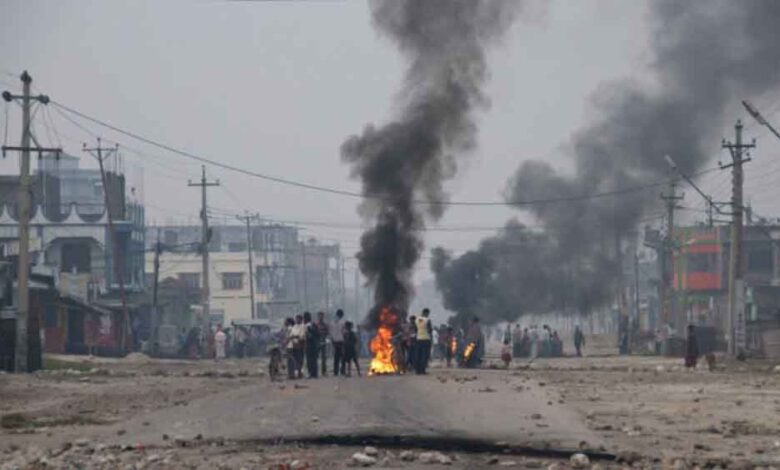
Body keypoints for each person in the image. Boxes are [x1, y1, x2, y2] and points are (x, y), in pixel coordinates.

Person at [415, 309, 433, 374]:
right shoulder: (427, 320)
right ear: (426, 313)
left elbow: (416, 329)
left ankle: (418, 370)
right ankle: (422, 370)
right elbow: (430, 330)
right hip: (426, 339)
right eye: (428, 314)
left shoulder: (417, 319)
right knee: (425, 356)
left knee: (418, 355)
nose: (428, 315)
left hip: (418, 339)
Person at [304, 312, 319, 378]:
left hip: (310, 344)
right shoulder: (313, 324)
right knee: (313, 360)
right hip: (313, 344)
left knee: (310, 360)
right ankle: (314, 373)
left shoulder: (308, 325)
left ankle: (311, 373)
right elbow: (317, 334)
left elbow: (312, 334)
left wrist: (310, 333)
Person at [331, 309, 346, 376]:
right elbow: (344, 332)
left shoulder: (332, 322)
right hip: (341, 342)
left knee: (336, 357)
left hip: (335, 342)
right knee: (343, 357)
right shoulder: (342, 322)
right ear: (341, 315)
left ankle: (335, 371)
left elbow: (331, 332)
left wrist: (332, 340)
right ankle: (342, 371)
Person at [315, 311, 330, 376]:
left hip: (323, 342)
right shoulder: (316, 324)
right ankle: (315, 370)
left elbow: (327, 332)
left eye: (321, 316)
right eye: (319, 316)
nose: (320, 317)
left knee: (324, 358)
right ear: (318, 316)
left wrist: (323, 335)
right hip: (317, 343)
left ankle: (324, 371)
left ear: (323, 317)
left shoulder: (325, 325)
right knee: (315, 357)